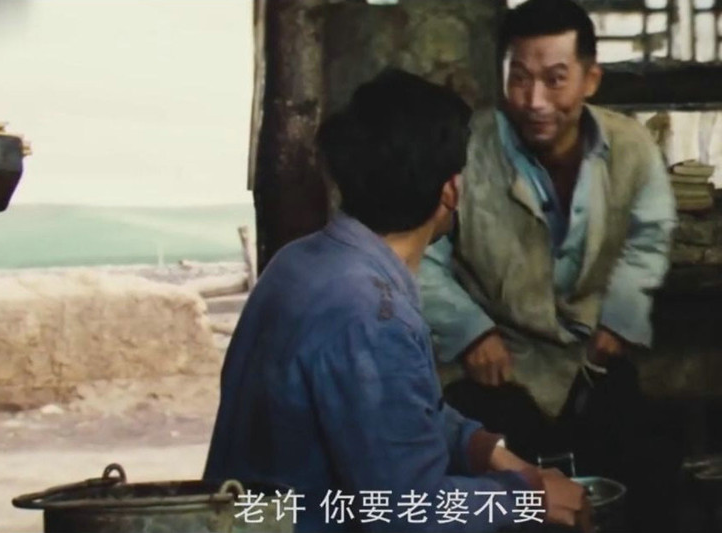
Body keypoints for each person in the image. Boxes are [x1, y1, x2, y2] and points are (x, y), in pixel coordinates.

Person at [204, 69, 590, 533]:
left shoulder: (301, 262)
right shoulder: (372, 314)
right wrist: (526, 500)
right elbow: (406, 514)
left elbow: (395, 418)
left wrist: (486, 451)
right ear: (451, 190)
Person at [418, 0, 679, 530]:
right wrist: (468, 330)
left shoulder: (631, 148)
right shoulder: (463, 150)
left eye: (555, 80)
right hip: (495, 365)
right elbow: (420, 252)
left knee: (645, 476)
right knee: (502, 496)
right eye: (519, 79)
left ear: (590, 79)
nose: (535, 101)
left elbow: (649, 237)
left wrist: (621, 317)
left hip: (589, 359)